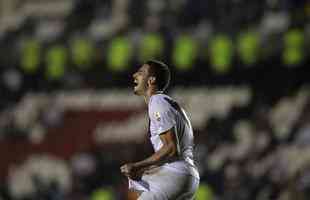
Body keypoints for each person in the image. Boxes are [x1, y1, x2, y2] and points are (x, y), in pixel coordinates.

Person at [120, 60, 200, 199]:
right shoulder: (164, 102)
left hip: (176, 174)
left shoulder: (158, 102)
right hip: (186, 175)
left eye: (140, 72)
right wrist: (144, 169)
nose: (134, 75)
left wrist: (138, 165)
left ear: (151, 80)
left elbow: (171, 148)